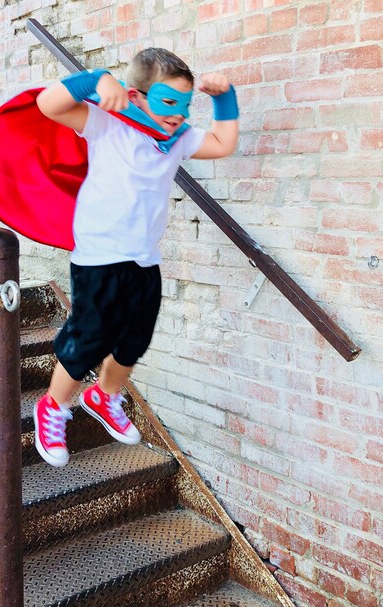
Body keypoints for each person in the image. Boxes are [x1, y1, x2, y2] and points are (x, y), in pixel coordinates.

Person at [33, 48, 239, 466]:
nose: (178, 113)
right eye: (168, 101)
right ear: (136, 96)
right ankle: (53, 406)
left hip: (144, 258)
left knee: (135, 339)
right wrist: (95, 79)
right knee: (89, 339)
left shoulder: (176, 138)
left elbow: (222, 143)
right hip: (100, 255)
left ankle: (103, 396)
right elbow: (47, 104)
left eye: (185, 104)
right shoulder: (108, 122)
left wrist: (225, 99)